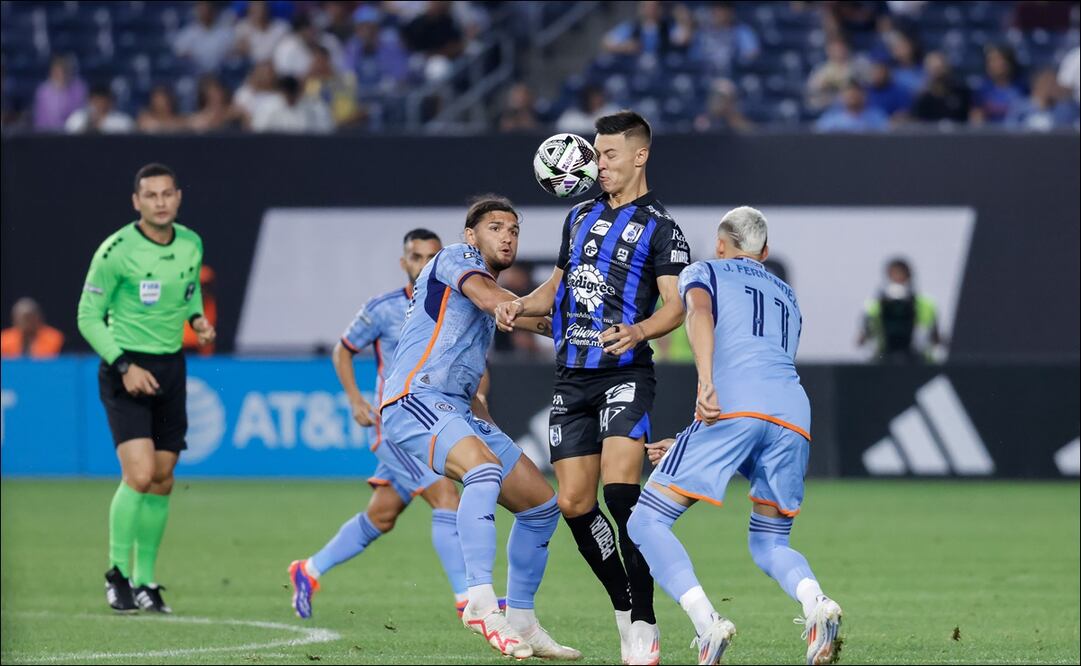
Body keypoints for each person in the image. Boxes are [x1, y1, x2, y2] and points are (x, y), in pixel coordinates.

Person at [498, 111, 691, 665]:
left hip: (626, 372)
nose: (596, 164)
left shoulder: (661, 227)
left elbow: (675, 305)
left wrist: (638, 329)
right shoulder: (578, 216)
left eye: (607, 155)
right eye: (595, 154)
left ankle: (645, 623)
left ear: (639, 155)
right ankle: (623, 607)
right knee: (575, 502)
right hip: (571, 375)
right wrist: (515, 304)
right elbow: (556, 289)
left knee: (621, 495)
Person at [627, 206, 843, 666]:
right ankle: (817, 604)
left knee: (645, 522)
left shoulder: (704, 269)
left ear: (721, 244)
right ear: (763, 252)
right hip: (793, 414)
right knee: (770, 541)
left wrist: (705, 382)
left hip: (733, 407)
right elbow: (762, 378)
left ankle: (707, 624)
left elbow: (698, 313)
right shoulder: (788, 297)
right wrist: (691, 441)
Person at [379, 196, 579, 660]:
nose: (507, 235)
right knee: (484, 471)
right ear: (472, 235)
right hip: (415, 399)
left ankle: (523, 620)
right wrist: (559, 274)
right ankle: (481, 603)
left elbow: (530, 316)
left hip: (459, 409)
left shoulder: (494, 286)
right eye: (495, 227)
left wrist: (589, 328)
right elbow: (496, 302)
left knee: (542, 507)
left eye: (513, 229)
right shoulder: (455, 258)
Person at [288, 229, 480, 619]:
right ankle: (466, 600)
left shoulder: (454, 306)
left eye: (431, 256)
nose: (423, 264)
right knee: (446, 497)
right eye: (416, 257)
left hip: (433, 418)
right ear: (403, 262)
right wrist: (356, 399)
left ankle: (308, 570)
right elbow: (343, 350)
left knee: (382, 515)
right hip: (395, 425)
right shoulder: (383, 308)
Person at [76, 163, 216, 614]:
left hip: (170, 367)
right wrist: (123, 365)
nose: (160, 202)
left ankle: (145, 582)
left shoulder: (191, 242)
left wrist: (196, 319)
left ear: (177, 197)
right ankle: (116, 573)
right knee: (137, 475)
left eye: (166, 194)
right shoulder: (116, 251)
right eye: (150, 195)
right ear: (137, 202)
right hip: (126, 366)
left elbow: (189, 291)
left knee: (161, 480)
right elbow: (86, 316)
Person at [857, 257, 942, 363]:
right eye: (893, 275)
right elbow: (861, 341)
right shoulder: (873, 307)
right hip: (883, 361)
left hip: (918, 362)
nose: (897, 279)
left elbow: (937, 340)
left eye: (901, 275)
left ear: (909, 277)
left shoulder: (927, 305)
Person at [173, 0, 236, 75]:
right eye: (201, 8)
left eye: (207, 8)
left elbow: (232, 56)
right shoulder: (186, 34)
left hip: (221, 74)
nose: (204, 12)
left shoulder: (226, 32)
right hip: (194, 75)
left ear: (213, 10)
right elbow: (179, 55)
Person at [32, 54, 87, 131]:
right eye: (57, 72)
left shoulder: (79, 88)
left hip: (74, 133)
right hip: (49, 133)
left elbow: (82, 113)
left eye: (64, 71)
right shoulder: (43, 91)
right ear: (52, 72)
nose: (61, 75)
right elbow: (40, 120)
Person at [0, 298, 64, 359]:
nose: (26, 322)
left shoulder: (54, 338)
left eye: (29, 317)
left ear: (38, 317)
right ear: (14, 319)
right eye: (22, 318)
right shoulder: (3, 340)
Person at [814, 80, 888, 132]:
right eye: (849, 94)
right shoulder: (831, 119)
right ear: (842, 96)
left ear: (864, 95)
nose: (853, 96)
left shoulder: (876, 117)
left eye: (856, 93)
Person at [64, 84, 135, 134]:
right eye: (96, 101)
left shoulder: (122, 121)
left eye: (103, 101)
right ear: (89, 101)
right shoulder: (78, 117)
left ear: (110, 102)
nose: (99, 105)